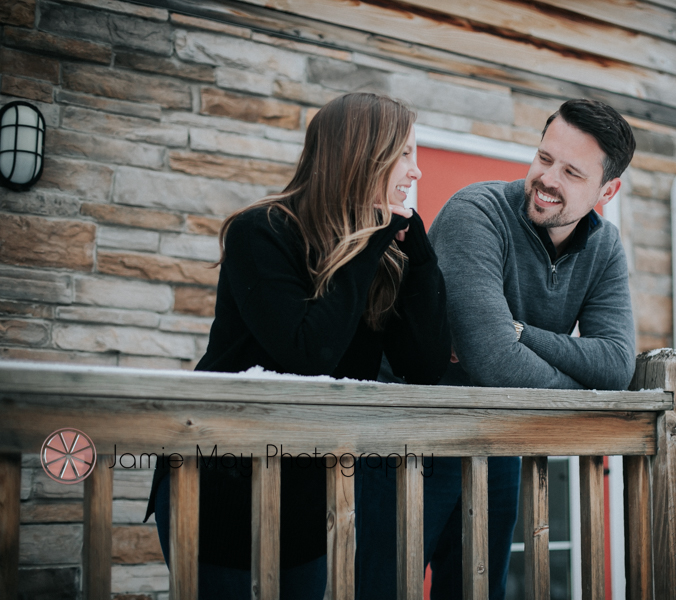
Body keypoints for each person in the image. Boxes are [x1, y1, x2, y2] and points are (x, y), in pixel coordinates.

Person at [144, 92, 451, 599]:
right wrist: (372, 239)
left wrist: (421, 262)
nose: (416, 171)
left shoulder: (376, 256)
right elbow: (307, 353)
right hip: (221, 485)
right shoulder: (261, 232)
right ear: (361, 154)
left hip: (309, 495)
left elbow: (423, 366)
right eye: (405, 153)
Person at [355, 98, 636, 599]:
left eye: (572, 172)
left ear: (607, 189)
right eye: (545, 159)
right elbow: (490, 358)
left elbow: (616, 364)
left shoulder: (605, 247)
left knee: (477, 590)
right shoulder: (477, 211)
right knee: (380, 587)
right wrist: (569, 374)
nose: (548, 179)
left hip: (499, 442)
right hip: (413, 432)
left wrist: (522, 333)